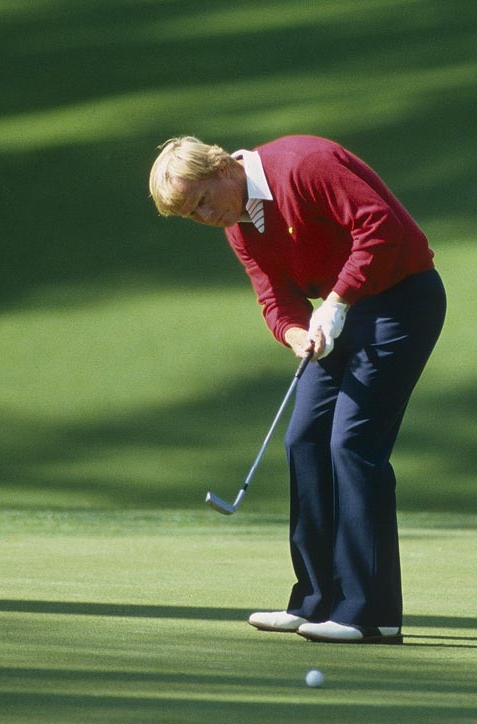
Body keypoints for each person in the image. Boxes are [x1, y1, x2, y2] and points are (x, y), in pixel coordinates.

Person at [148, 134, 446, 644]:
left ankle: (371, 613)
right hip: (340, 315)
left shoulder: (304, 165)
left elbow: (380, 225)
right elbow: (274, 296)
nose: (205, 217)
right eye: (191, 215)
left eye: (202, 201)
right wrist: (295, 333)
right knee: (304, 439)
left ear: (221, 167)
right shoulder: (240, 226)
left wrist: (337, 300)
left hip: (401, 301)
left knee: (352, 444)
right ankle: (317, 600)